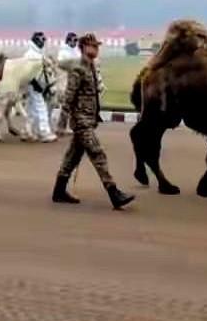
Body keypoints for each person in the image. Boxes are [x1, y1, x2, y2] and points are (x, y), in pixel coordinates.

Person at [53, 33, 135, 210]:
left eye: (97, 46)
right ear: (83, 47)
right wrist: (62, 122)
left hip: (89, 119)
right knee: (98, 154)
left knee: (72, 157)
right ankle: (114, 193)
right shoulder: (78, 69)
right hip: (81, 120)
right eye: (93, 46)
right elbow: (69, 97)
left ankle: (58, 191)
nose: (97, 49)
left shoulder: (90, 67)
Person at [22, 31, 56, 142]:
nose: (43, 42)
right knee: (41, 107)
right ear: (36, 41)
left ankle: (27, 131)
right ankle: (44, 132)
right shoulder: (32, 55)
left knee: (31, 108)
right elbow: (28, 72)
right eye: (42, 40)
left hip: (36, 85)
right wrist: (36, 85)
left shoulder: (36, 54)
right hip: (34, 85)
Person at [54, 32, 81, 134]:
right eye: (72, 40)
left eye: (76, 40)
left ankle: (67, 126)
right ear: (68, 41)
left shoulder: (77, 51)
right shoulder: (63, 52)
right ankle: (61, 127)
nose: (74, 42)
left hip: (74, 80)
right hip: (64, 81)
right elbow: (62, 64)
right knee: (65, 106)